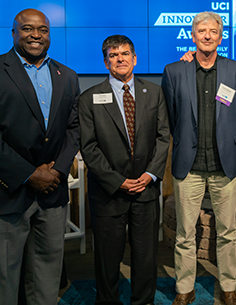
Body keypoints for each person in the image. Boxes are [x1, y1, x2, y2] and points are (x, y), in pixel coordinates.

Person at [0, 8, 80, 305]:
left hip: (52, 195)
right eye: (28, 29)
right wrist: (30, 174)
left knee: (47, 281)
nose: (36, 35)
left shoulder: (67, 76)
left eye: (42, 30)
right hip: (6, 194)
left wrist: (57, 171)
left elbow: (74, 129)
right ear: (14, 32)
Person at [162, 12, 236, 305]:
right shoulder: (175, 71)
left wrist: (227, 139)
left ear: (221, 37)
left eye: (213, 31)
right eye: (202, 31)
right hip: (189, 165)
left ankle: (228, 286)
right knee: (185, 234)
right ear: (193, 35)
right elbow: (172, 117)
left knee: (228, 232)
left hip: (225, 164)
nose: (208, 36)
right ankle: (184, 288)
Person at [79, 35, 170, 305]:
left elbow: (163, 137)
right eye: (114, 55)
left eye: (125, 53)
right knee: (108, 258)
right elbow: (89, 146)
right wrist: (118, 181)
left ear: (135, 59)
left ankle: (143, 301)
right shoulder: (89, 98)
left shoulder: (154, 92)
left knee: (145, 256)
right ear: (106, 61)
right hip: (109, 192)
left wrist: (150, 174)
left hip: (146, 189)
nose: (120, 59)